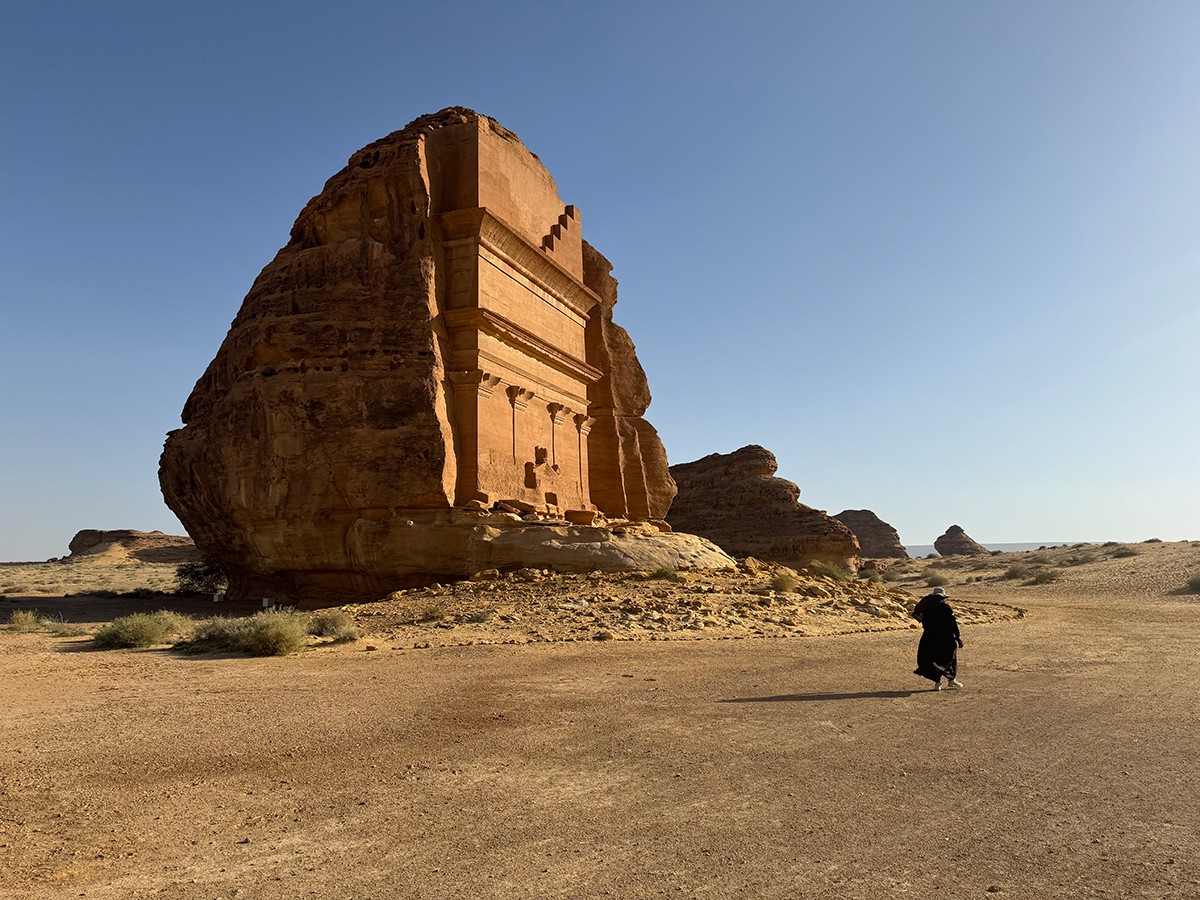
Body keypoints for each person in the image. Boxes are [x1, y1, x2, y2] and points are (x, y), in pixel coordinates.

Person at [911, 587, 964, 690]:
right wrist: (958, 637)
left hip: (929, 636)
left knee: (933, 657)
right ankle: (951, 680)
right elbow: (952, 623)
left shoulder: (924, 605)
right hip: (945, 637)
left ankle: (937, 683)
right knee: (950, 657)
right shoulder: (945, 607)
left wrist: (926, 622)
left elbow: (916, 615)